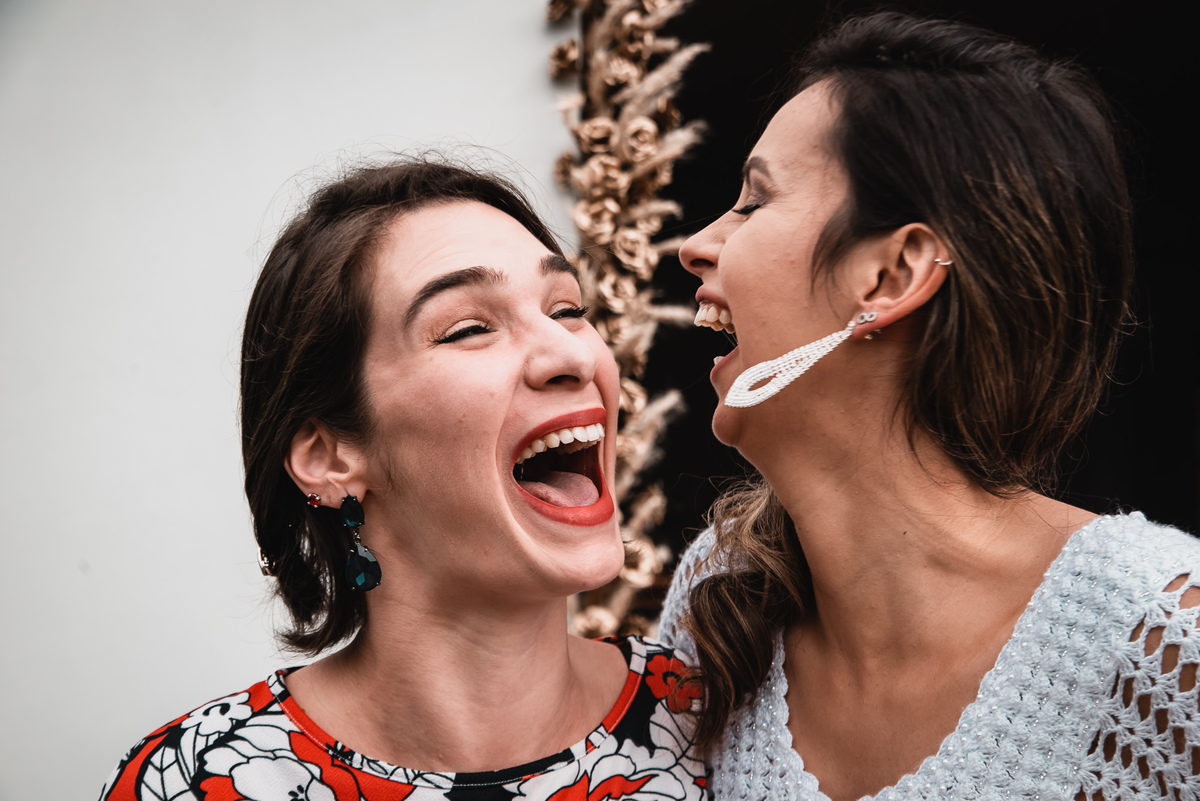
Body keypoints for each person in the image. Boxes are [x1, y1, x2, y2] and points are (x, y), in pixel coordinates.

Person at [660, 12, 1200, 801]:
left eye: (752, 201)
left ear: (891, 276)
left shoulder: (1165, 640)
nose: (696, 244)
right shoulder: (716, 598)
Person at [100, 159, 705, 801]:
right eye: (470, 328)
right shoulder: (190, 783)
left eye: (567, 309)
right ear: (330, 455)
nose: (576, 354)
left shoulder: (724, 729)